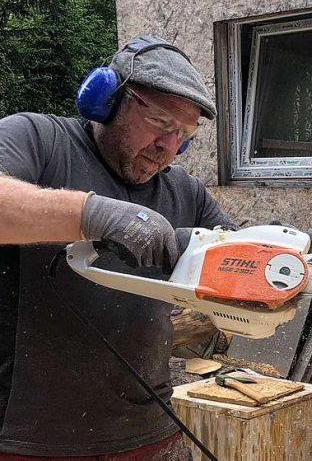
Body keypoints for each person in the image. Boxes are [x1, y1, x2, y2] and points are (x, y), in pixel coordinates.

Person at [0, 35, 235, 460]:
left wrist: (273, 250)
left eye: (183, 135)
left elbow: (234, 254)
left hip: (147, 430)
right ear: (108, 99)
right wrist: (93, 214)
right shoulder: (36, 139)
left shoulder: (185, 191)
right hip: (30, 436)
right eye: (161, 124)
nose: (169, 149)